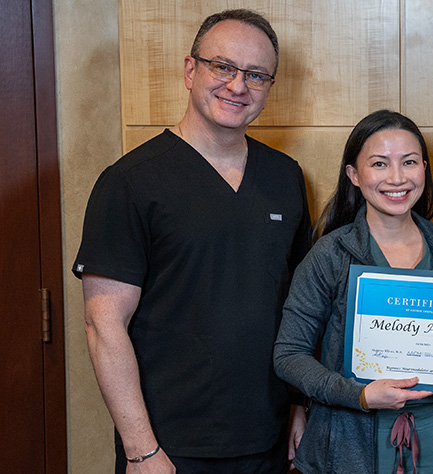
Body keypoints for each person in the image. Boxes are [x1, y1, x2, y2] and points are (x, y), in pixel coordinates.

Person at [73, 9, 311, 473]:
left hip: (266, 438)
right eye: (222, 67)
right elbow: (103, 325)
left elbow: (299, 308)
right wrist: (141, 449)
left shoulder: (285, 177)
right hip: (168, 447)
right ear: (189, 70)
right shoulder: (130, 182)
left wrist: (299, 403)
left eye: (256, 75)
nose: (237, 86)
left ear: (269, 87)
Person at [273, 109, 433, 474]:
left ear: (424, 169)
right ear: (354, 175)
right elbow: (289, 355)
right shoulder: (330, 255)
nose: (397, 177)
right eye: (379, 164)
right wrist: (360, 395)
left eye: (409, 162)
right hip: (349, 446)